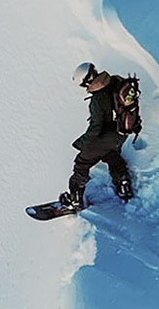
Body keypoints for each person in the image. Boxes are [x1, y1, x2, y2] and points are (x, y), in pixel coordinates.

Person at [60, 62, 140, 209]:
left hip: (108, 135)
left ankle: (75, 199)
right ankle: (124, 185)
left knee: (82, 163)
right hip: (124, 131)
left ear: (87, 82)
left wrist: (81, 142)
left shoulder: (98, 98)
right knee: (111, 155)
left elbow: (96, 128)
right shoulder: (116, 80)